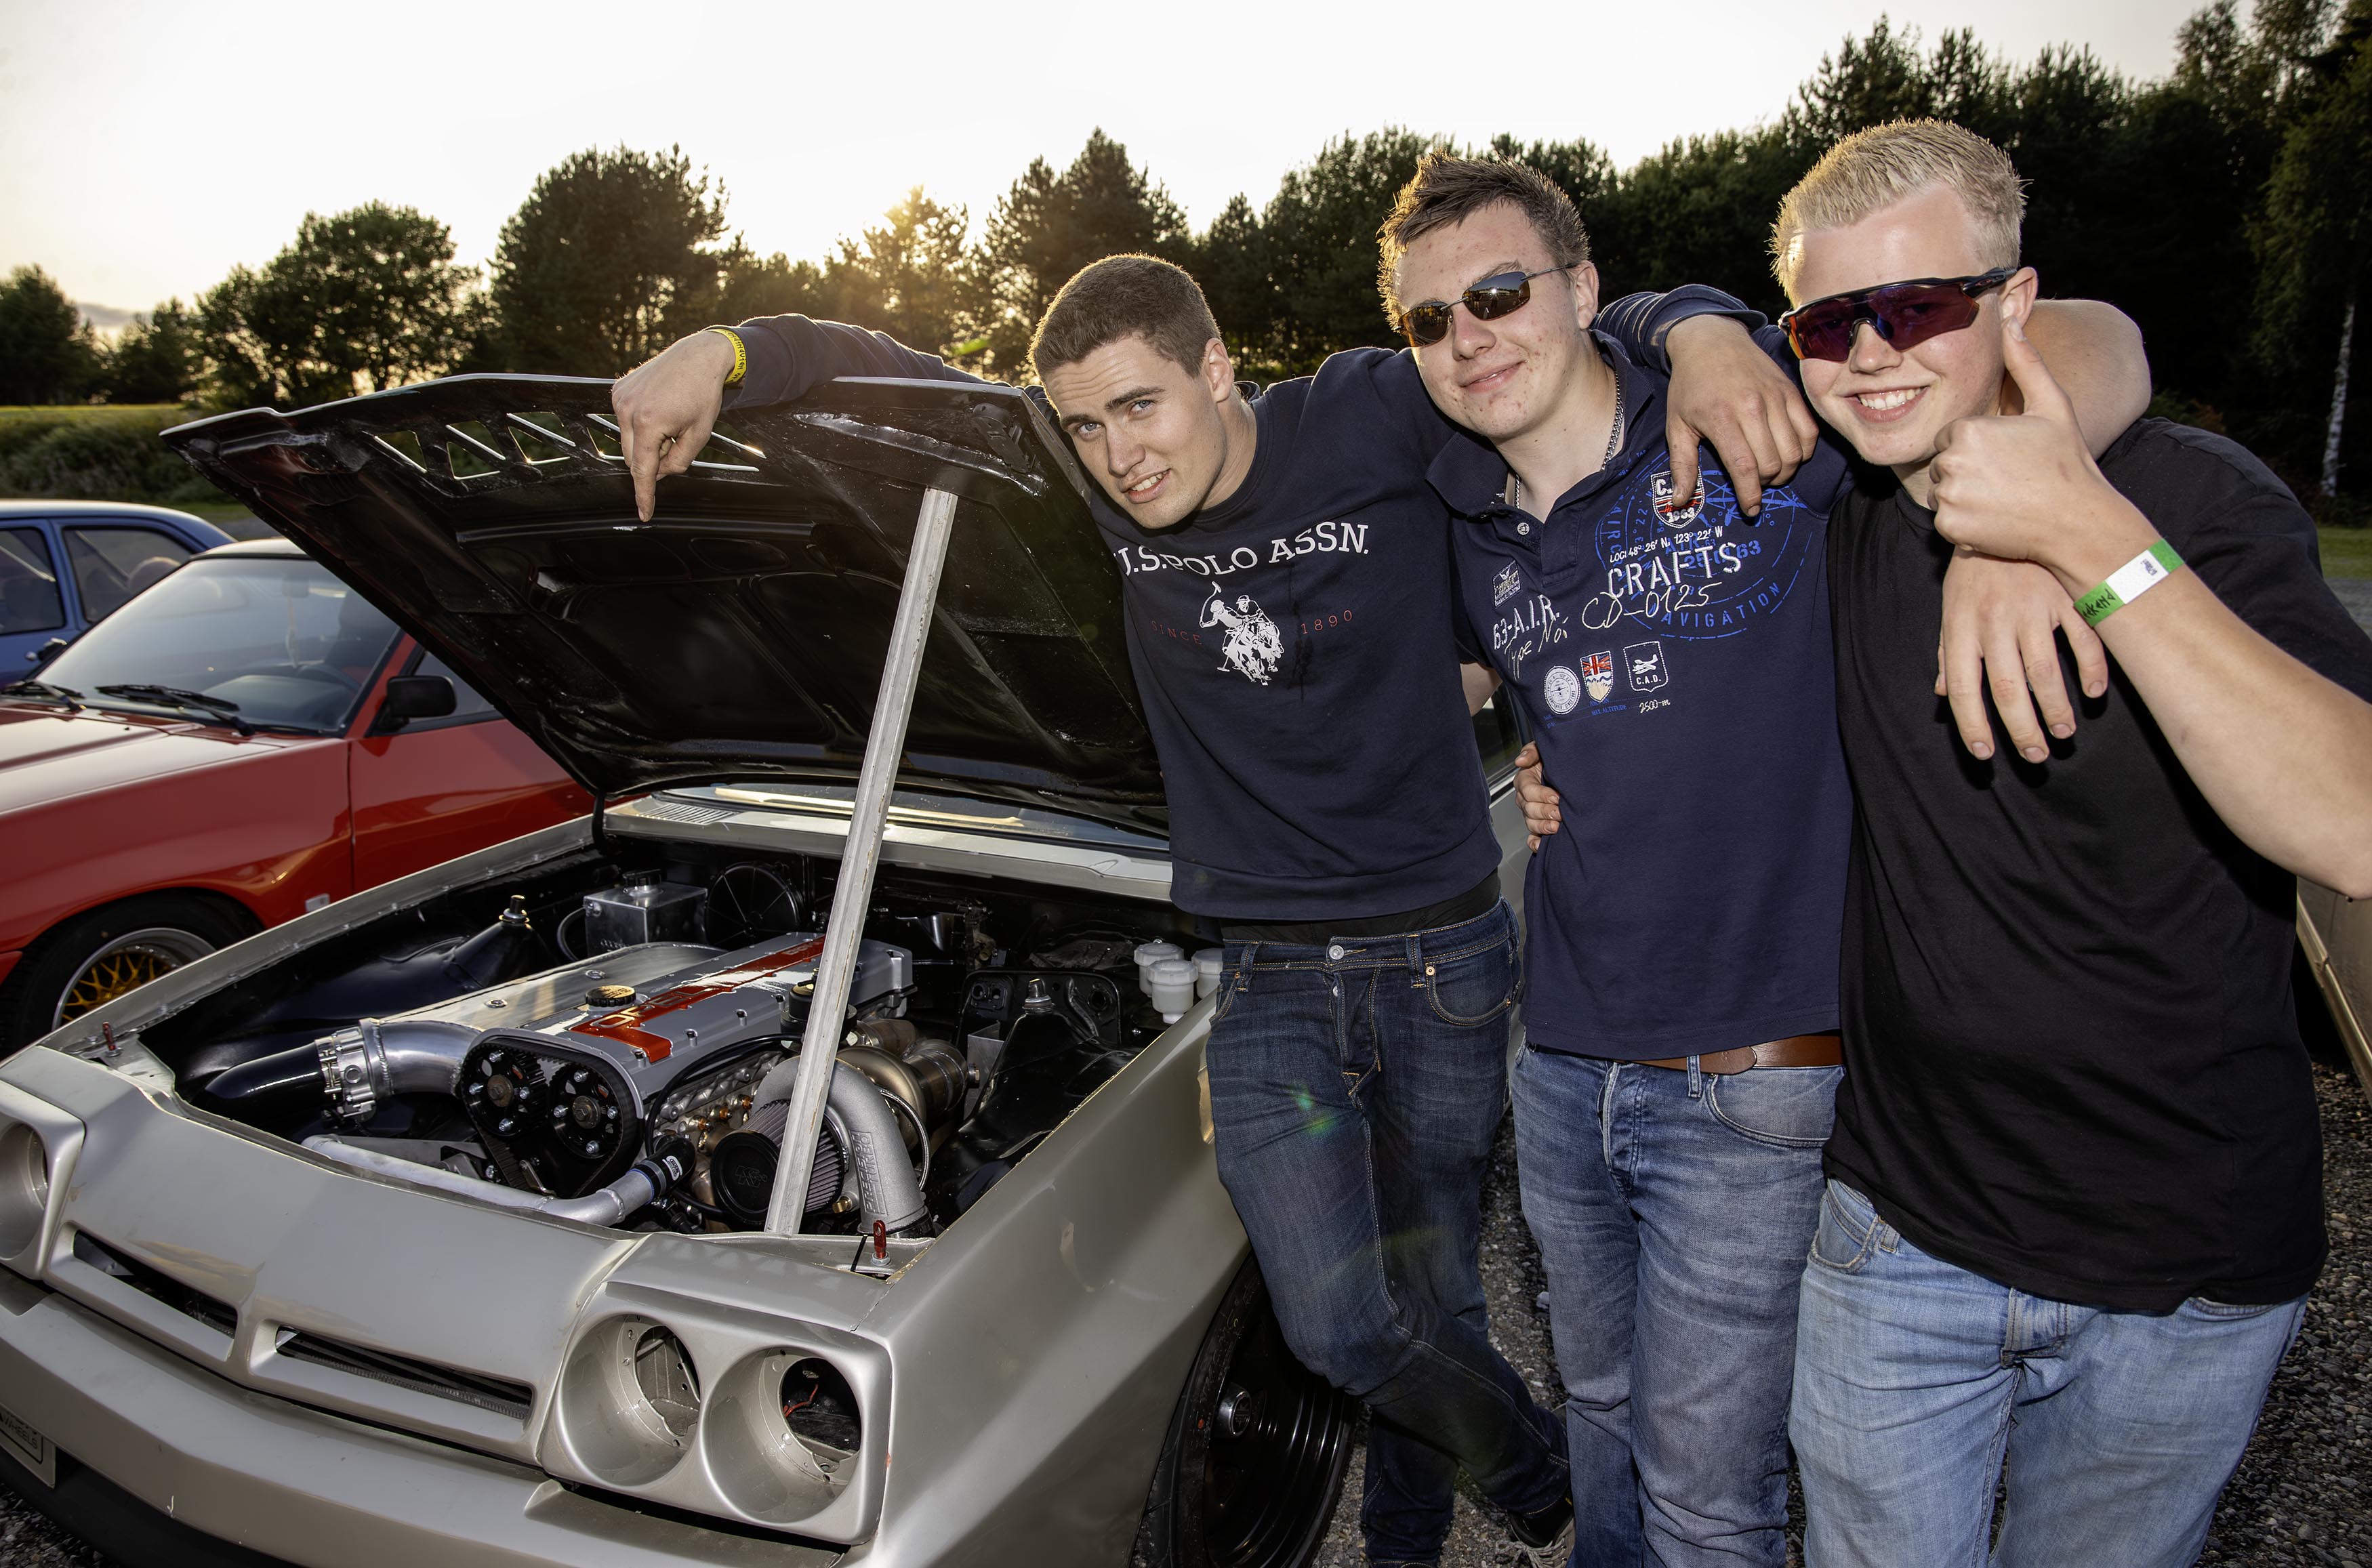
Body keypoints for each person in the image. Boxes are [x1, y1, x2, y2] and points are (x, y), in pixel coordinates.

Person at [611, 260, 1812, 1565]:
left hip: (1445, 959)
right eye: (1085, 425)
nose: (1118, 455)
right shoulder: (1094, 478)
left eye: (1142, 407)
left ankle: (1404, 1546)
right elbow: (883, 368)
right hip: (1270, 974)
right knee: (1340, 1319)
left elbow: (1531, 350)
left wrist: (1696, 330)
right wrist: (720, 351)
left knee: (1441, 1287)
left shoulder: (1366, 410)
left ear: (1219, 368)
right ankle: (1538, 1472)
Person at [1384, 153, 2148, 1567]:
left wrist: (2024, 514)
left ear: (1586, 291)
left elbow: (2094, 339)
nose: (1467, 337)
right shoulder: (1460, 524)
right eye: (1428, 321)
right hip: (1558, 1062)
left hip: (1755, 1080)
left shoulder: (1762, 429)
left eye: (1497, 293)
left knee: (1706, 1493)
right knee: (1603, 1408)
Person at [1758, 119, 2372, 1568]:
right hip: (1902, 1227)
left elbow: (2349, 819)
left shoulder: (2199, 506)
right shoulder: (1840, 520)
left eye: (1913, 306)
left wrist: (2079, 542)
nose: (1868, 354)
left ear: (2012, 305)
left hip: (2185, 1263)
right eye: (1821, 322)